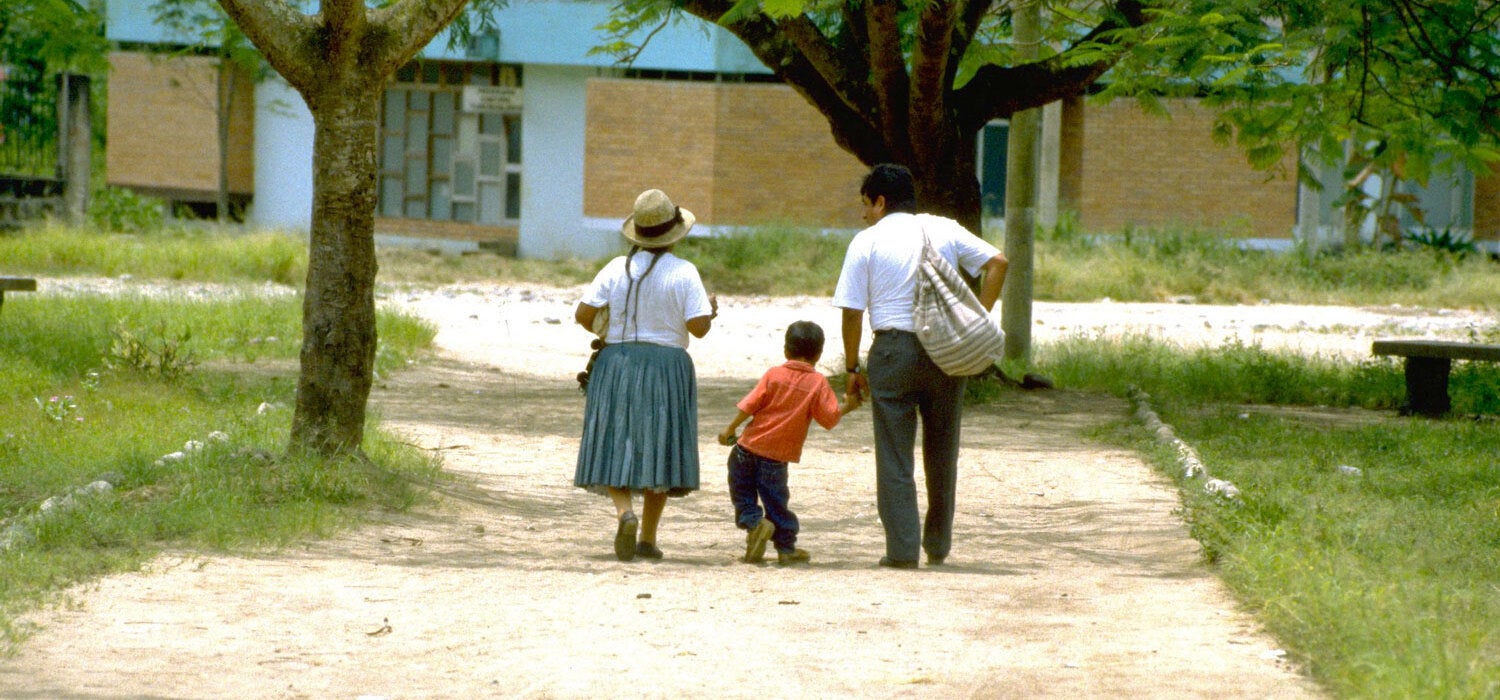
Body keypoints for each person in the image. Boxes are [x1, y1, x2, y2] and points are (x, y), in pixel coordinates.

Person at [831, 163, 1009, 570]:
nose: (863, 214)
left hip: (894, 351)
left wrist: (854, 367)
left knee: (894, 454)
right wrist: (977, 319)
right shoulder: (943, 228)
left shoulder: (866, 242)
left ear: (880, 201)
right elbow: (998, 262)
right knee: (943, 450)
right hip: (947, 351)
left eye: (865, 204)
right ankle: (938, 545)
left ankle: (902, 550)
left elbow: (852, 312)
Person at [574, 188, 717, 562]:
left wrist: (612, 332)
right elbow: (698, 328)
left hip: (616, 362)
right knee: (660, 445)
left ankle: (624, 514)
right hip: (667, 364)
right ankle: (648, 539)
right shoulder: (685, 272)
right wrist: (711, 311)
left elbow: (583, 315)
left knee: (613, 440)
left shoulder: (612, 269)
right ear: (674, 233)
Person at [717, 321, 862, 566]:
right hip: (775, 459)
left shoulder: (773, 374)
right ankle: (785, 549)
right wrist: (848, 405)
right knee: (776, 503)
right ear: (818, 354)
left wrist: (729, 428)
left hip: (745, 449)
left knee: (742, 495)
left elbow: (750, 404)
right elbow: (829, 419)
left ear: (786, 350)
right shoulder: (817, 383)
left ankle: (755, 523)